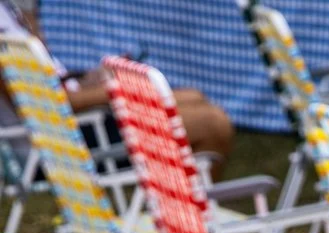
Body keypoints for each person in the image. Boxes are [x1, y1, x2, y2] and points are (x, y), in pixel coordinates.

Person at [0, 2, 234, 162]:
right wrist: (117, 88)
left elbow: (48, 81)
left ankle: (182, 207)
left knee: (194, 97)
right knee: (212, 123)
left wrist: (84, 80)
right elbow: (41, 102)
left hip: (76, 119)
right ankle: (191, 219)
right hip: (62, 142)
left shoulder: (10, 12)